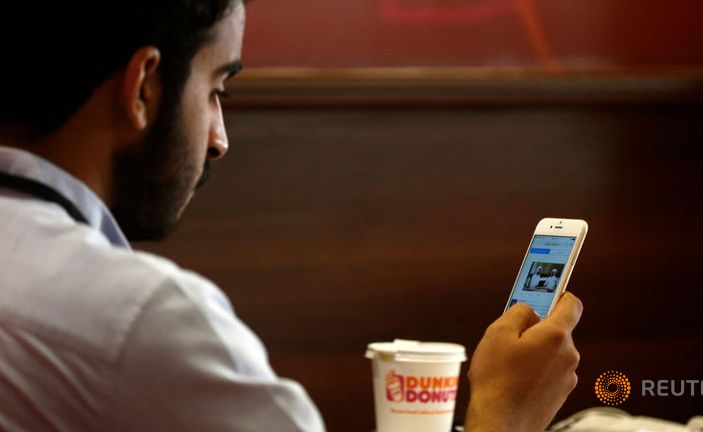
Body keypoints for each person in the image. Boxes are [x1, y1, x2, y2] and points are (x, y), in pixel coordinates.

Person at [0, 1, 583, 431]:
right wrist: (504, 415)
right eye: (216, 88)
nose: (219, 139)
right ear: (144, 87)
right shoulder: (142, 320)